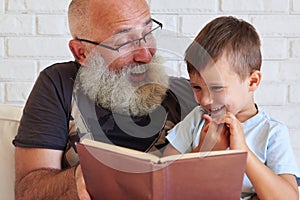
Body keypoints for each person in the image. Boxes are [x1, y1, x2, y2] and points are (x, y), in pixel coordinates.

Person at [13, 0, 197, 199]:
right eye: (124, 43)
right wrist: (80, 178)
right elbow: (28, 191)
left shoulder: (192, 93)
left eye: (148, 33)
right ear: (82, 52)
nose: (145, 55)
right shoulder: (59, 84)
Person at [163, 16, 300, 199]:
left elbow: (289, 197)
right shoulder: (197, 119)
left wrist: (243, 153)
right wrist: (205, 151)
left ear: (252, 81)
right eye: (196, 87)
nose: (204, 100)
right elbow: (163, 176)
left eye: (217, 88)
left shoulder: (271, 132)